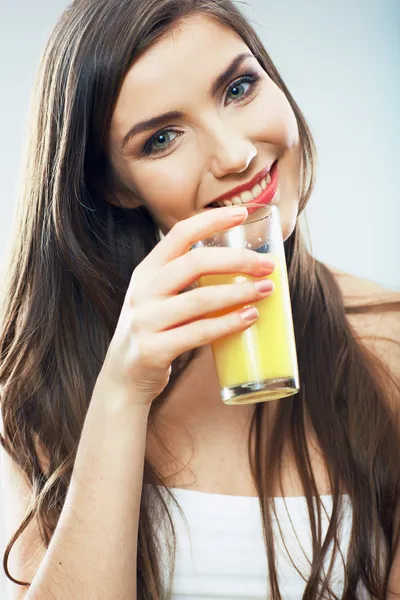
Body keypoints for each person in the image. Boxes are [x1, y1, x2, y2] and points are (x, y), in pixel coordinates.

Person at [0, 0, 399, 598]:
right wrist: (120, 397)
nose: (234, 153)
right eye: (162, 138)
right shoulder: (44, 381)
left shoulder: (390, 344)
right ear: (113, 185)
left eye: (239, 87)